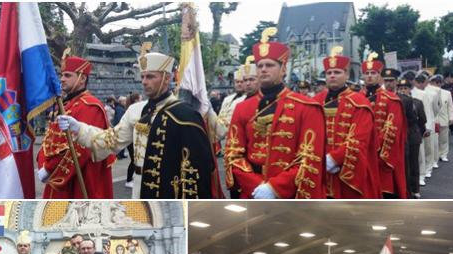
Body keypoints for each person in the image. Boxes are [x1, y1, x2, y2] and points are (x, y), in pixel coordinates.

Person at [57, 50, 217, 199]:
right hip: (138, 188)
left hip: (169, 191)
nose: (144, 82)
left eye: (150, 77)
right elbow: (112, 140)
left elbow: (195, 169)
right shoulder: (135, 110)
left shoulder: (185, 115)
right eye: (143, 77)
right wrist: (79, 128)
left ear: (167, 79)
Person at [224, 28, 326, 199]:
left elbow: (310, 157)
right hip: (253, 192)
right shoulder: (242, 108)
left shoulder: (308, 107)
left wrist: (275, 188)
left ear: (283, 69)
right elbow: (233, 154)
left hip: (291, 193)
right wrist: (257, 185)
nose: (263, 70)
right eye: (260, 66)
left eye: (270, 65)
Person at [37, 54, 114, 199]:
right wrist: (42, 162)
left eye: (67, 75)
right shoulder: (66, 104)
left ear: (82, 78)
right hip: (58, 176)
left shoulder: (91, 106)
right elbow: (50, 139)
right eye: (61, 75)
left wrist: (49, 169)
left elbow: (81, 149)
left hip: (78, 180)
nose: (62, 79)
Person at [315, 47, 380, 198]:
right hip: (318, 168)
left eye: (337, 72)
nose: (332, 76)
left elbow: (359, 139)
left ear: (346, 75)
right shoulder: (315, 101)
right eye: (329, 73)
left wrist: (333, 159)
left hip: (348, 168)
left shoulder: (359, 102)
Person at [362, 54, 408, 198]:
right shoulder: (357, 98)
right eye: (367, 73)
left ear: (379, 77)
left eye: (373, 73)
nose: (370, 76)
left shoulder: (391, 99)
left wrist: (374, 148)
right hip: (361, 155)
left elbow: (392, 130)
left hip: (382, 155)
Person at [396, 77, 427, 198]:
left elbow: (422, 120)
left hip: (412, 134)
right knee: (402, 163)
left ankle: (415, 189)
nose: (403, 90)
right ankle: (403, 188)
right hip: (400, 136)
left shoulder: (417, 102)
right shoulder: (395, 101)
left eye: (406, 88)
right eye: (401, 88)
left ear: (410, 89)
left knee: (413, 163)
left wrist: (418, 132)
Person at [429, 75, 453, 163]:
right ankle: (434, 157)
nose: (437, 84)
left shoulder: (447, 93)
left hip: (444, 118)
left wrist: (451, 117)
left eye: (439, 83)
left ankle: (443, 154)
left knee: (444, 139)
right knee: (434, 140)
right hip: (433, 119)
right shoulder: (428, 93)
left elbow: (450, 107)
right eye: (435, 82)